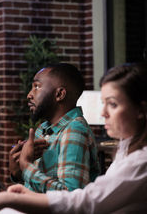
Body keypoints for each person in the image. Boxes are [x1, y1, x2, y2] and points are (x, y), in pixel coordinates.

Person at [0, 63, 147, 214]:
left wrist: (25, 169)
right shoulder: (126, 150)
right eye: (103, 103)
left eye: (112, 104)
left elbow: (80, 201)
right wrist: (18, 174)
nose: (103, 113)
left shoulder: (144, 161)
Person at [8, 63, 100, 192]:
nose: (29, 94)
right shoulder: (43, 128)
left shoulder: (74, 130)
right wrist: (17, 173)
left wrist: (25, 165)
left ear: (59, 94)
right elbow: (38, 185)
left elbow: (70, 195)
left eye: (37, 87)